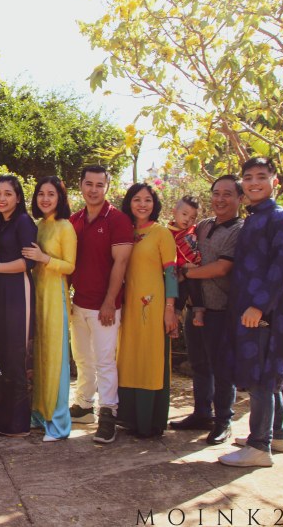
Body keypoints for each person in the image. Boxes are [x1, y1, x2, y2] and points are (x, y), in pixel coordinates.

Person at [219, 157, 283, 468]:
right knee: (265, 373)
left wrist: (259, 306)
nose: (254, 183)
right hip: (249, 309)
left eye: (261, 177)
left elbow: (281, 268)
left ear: (274, 181)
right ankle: (275, 435)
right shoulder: (255, 217)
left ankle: (258, 446)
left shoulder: (279, 219)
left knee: (261, 376)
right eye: (248, 177)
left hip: (263, 311)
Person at [168, 175, 244, 446]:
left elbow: (222, 268)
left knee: (221, 368)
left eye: (227, 194)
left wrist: (188, 273)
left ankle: (223, 420)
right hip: (195, 308)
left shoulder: (239, 230)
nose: (220, 199)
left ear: (240, 198)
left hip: (220, 310)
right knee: (199, 365)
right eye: (216, 193)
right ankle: (202, 413)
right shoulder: (202, 225)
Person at [68, 165, 134, 444]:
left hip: (105, 307)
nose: (93, 190)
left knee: (105, 361)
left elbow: (121, 262)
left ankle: (108, 412)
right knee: (83, 358)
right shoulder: (74, 220)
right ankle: (84, 405)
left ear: (107, 187)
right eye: (89, 184)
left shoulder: (117, 220)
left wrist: (109, 302)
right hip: (79, 303)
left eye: (99, 185)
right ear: (81, 185)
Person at [0, 175, 38, 437]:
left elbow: (29, 262)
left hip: (17, 290)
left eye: (8, 194)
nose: (1, 198)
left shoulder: (23, 221)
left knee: (16, 352)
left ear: (18, 197)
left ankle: (17, 423)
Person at [116, 183, 178, 438]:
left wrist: (170, 308)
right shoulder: (124, 232)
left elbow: (171, 273)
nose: (142, 204)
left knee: (151, 359)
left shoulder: (161, 233)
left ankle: (149, 421)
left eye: (148, 200)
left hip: (153, 308)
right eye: (137, 199)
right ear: (129, 203)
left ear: (155, 204)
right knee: (127, 358)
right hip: (127, 307)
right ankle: (128, 418)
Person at [22, 176, 76, 442]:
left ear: (60, 198)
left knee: (55, 359)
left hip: (56, 296)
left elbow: (70, 266)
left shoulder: (65, 226)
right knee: (40, 358)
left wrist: (44, 258)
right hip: (38, 294)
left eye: (51, 194)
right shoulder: (40, 225)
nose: (45, 199)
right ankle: (40, 414)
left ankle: (59, 423)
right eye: (41, 194)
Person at [167, 196, 205, 327]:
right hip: (180, 270)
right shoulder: (168, 233)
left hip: (196, 267)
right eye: (184, 214)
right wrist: (181, 268)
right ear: (174, 212)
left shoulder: (194, 229)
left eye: (192, 217)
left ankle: (199, 312)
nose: (187, 219)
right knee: (181, 291)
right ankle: (176, 318)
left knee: (195, 286)